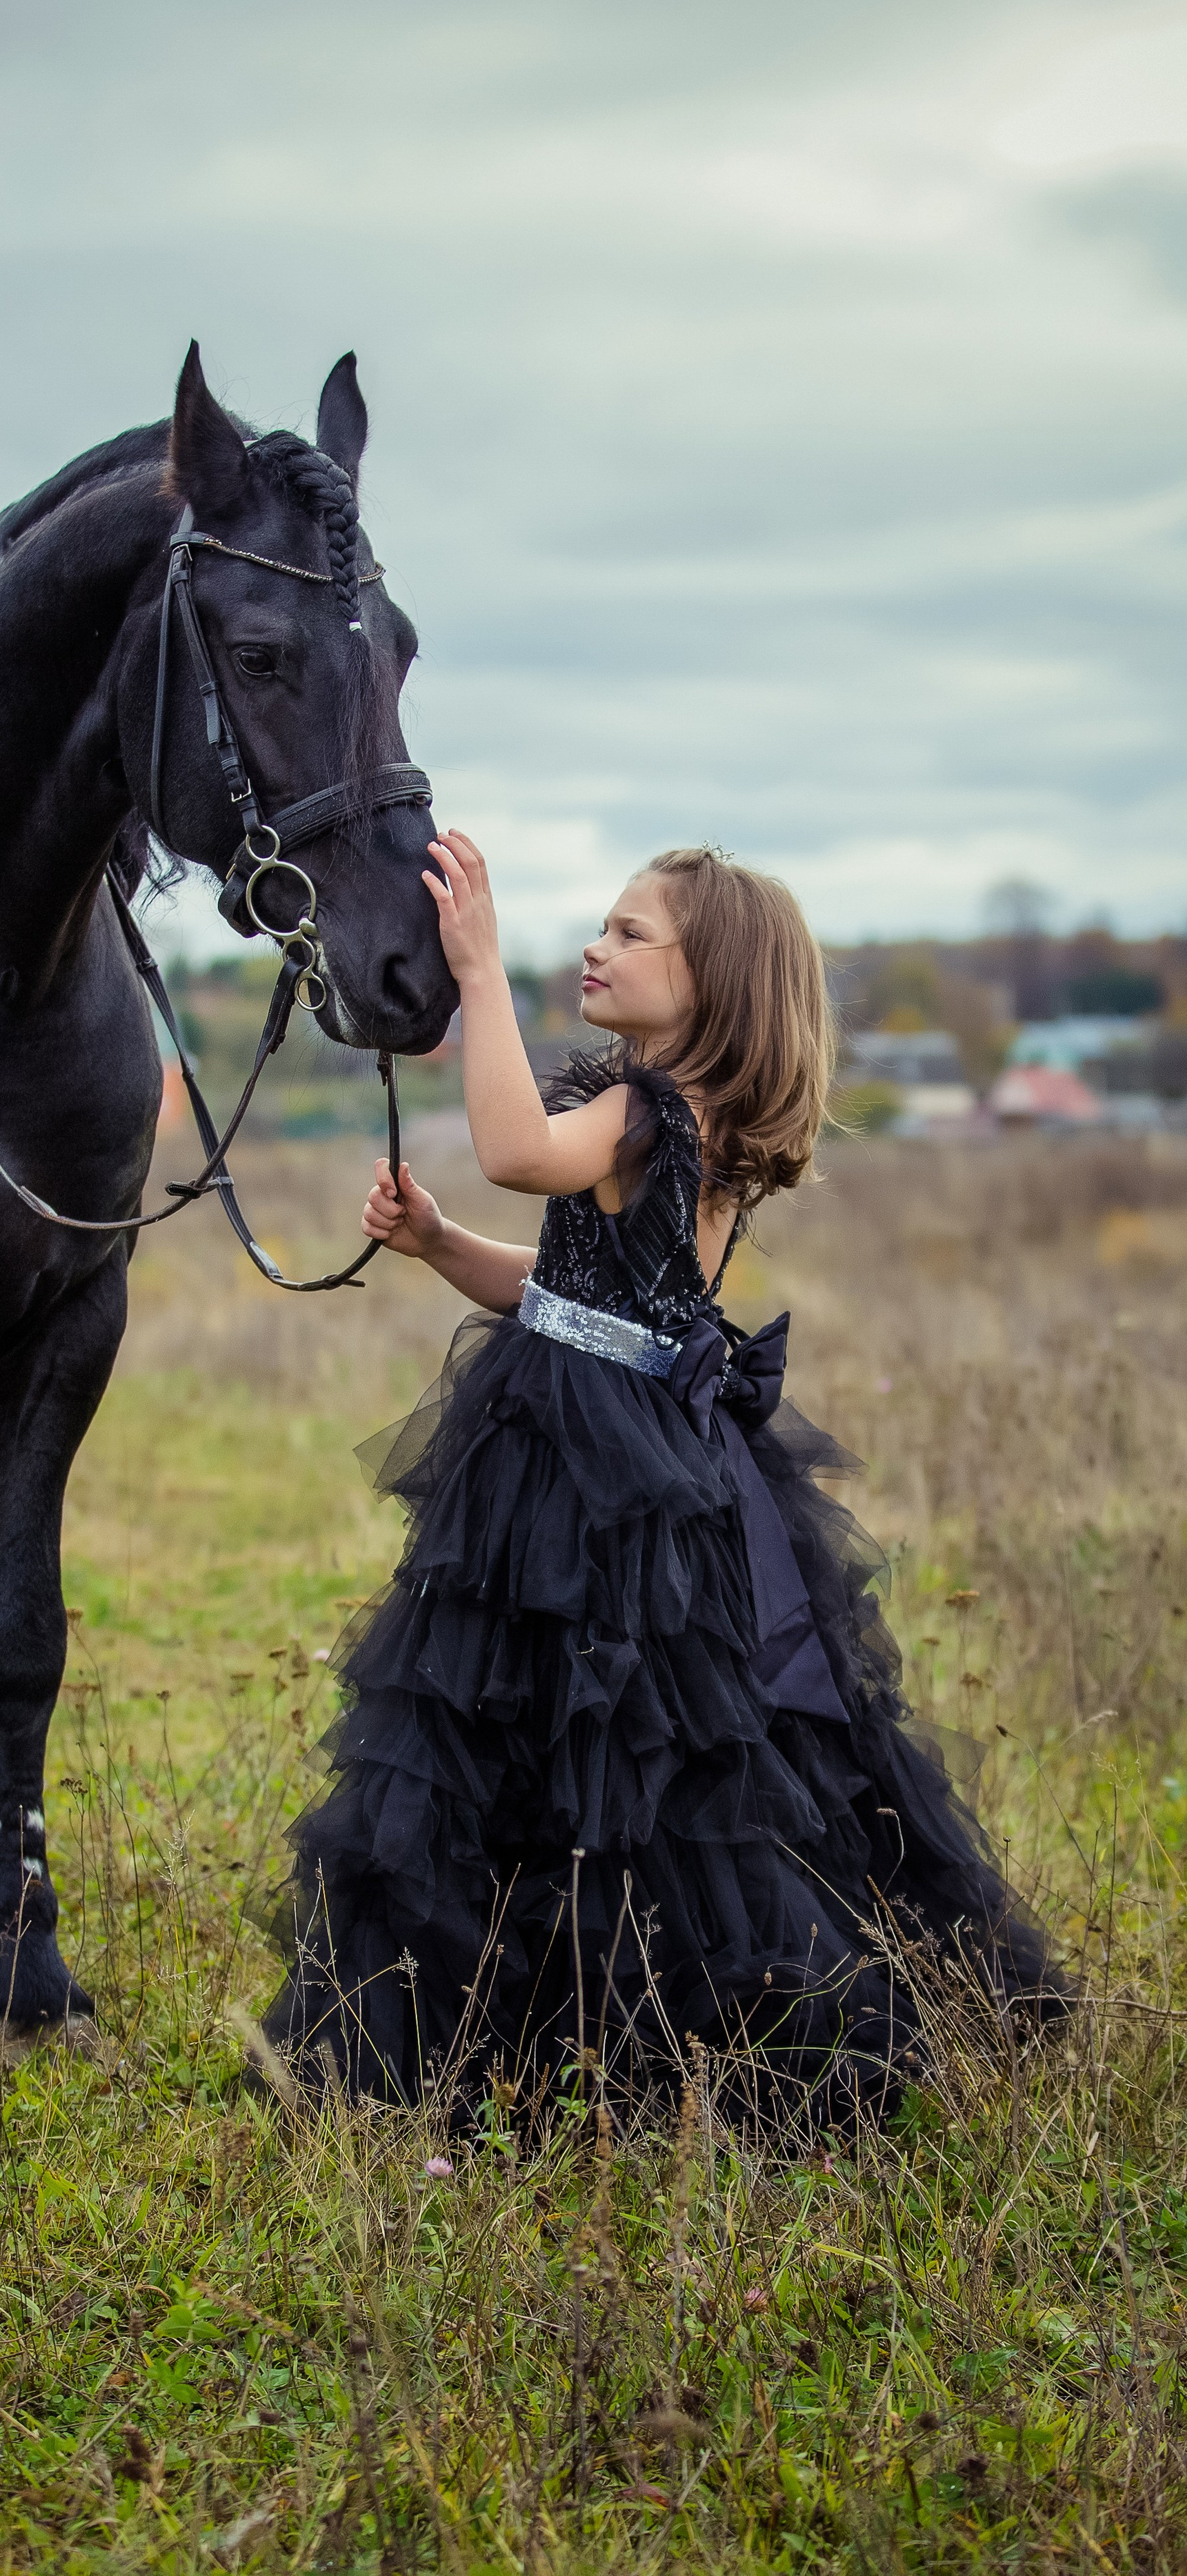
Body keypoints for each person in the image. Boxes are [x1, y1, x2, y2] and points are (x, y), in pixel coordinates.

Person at [263, 839, 1061, 2129]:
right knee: (582, 1745)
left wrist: (475, 968)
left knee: (597, 1749)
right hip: (603, 1438)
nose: (597, 947)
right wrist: (435, 1242)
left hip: (595, 1480)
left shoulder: (647, 1113)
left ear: (716, 984)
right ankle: (551, 2028)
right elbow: (574, 1297)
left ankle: (621, 2033)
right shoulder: (688, 1124)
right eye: (603, 926)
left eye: (632, 935)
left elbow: (518, 1148)